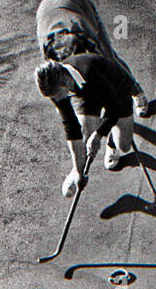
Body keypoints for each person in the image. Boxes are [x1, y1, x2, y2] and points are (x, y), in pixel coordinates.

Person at [35, 57, 138, 197]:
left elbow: (115, 108)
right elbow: (71, 126)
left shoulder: (89, 71)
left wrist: (98, 134)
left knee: (124, 146)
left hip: (118, 90)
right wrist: (79, 172)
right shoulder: (55, 89)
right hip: (85, 94)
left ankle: (111, 141)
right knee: (85, 134)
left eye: (58, 95)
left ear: (65, 82)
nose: (57, 100)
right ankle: (75, 171)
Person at [36, 0, 149, 117]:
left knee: (109, 57)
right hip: (45, 10)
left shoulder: (83, 31)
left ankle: (137, 93)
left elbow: (106, 64)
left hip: (77, 2)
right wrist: (61, 106)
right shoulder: (47, 51)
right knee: (53, 84)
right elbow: (50, 85)